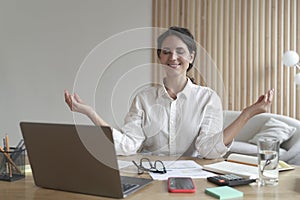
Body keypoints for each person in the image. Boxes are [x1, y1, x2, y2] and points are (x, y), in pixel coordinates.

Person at [64, 26, 274, 159]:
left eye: (180, 51)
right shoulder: (143, 99)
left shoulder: (208, 98)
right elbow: (128, 145)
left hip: (192, 181)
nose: (173, 57)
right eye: (166, 52)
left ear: (191, 57)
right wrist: (90, 113)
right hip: (149, 176)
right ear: (160, 58)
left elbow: (208, 150)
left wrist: (247, 113)